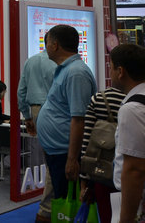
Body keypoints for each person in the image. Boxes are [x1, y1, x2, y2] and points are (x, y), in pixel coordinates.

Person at [36, 25, 97, 203]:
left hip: (65, 153)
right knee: (61, 200)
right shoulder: (66, 69)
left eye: (47, 42)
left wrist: (72, 159)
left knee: (67, 203)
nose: (46, 47)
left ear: (55, 45)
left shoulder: (76, 73)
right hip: (58, 151)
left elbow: (79, 119)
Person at [18, 34, 57, 222]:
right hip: (55, 110)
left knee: (50, 157)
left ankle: (48, 208)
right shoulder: (58, 64)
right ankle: (47, 209)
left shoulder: (31, 61)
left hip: (35, 110)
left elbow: (21, 92)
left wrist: (27, 116)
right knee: (55, 159)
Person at [109, 43, 145, 223]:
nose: (110, 73)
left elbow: (134, 169)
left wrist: (126, 218)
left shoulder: (132, 109)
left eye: (111, 68)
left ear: (120, 71)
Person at [80, 84, 126, 222]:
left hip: (102, 172)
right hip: (130, 173)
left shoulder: (99, 98)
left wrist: (84, 181)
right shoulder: (136, 99)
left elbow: (87, 141)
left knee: (107, 215)